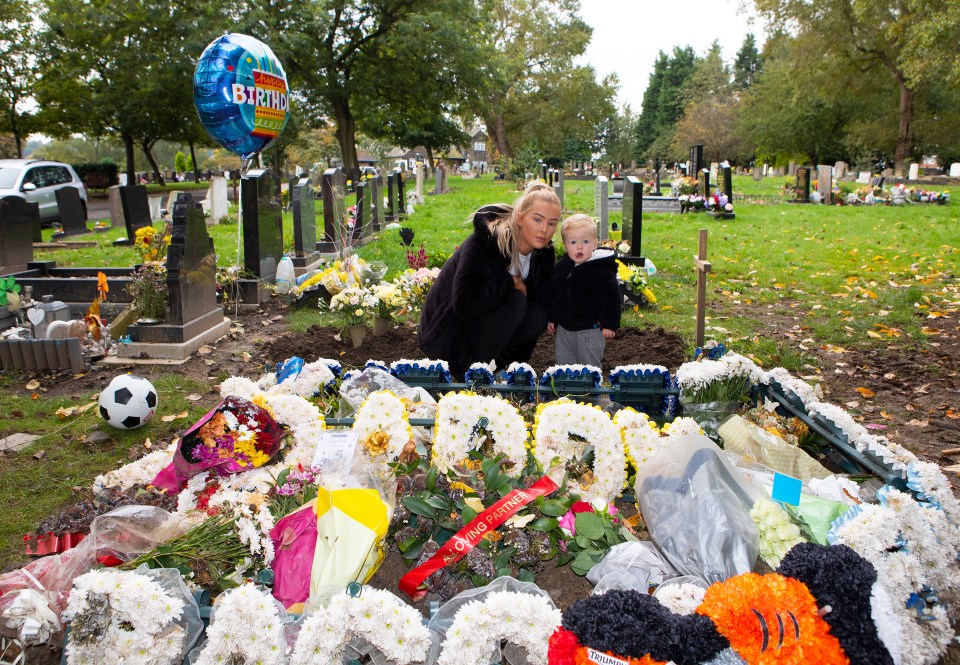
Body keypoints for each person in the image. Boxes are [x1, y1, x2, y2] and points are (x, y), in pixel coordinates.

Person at [418, 182, 561, 376]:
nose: (544, 229)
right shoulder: (485, 243)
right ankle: (471, 375)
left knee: (537, 314)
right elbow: (464, 304)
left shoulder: (544, 254)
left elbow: (541, 300)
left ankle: (501, 371)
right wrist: (509, 282)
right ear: (520, 219)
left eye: (552, 223)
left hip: (485, 329)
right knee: (516, 301)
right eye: (537, 220)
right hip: (447, 334)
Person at [547, 213, 620, 367]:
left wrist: (609, 323)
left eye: (585, 241)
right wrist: (552, 317)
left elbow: (611, 298)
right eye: (573, 242)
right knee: (564, 362)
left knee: (589, 364)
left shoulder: (601, 270)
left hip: (590, 329)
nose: (579, 247)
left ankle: (590, 389)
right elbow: (555, 294)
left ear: (595, 243)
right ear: (565, 245)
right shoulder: (562, 267)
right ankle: (566, 387)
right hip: (565, 329)